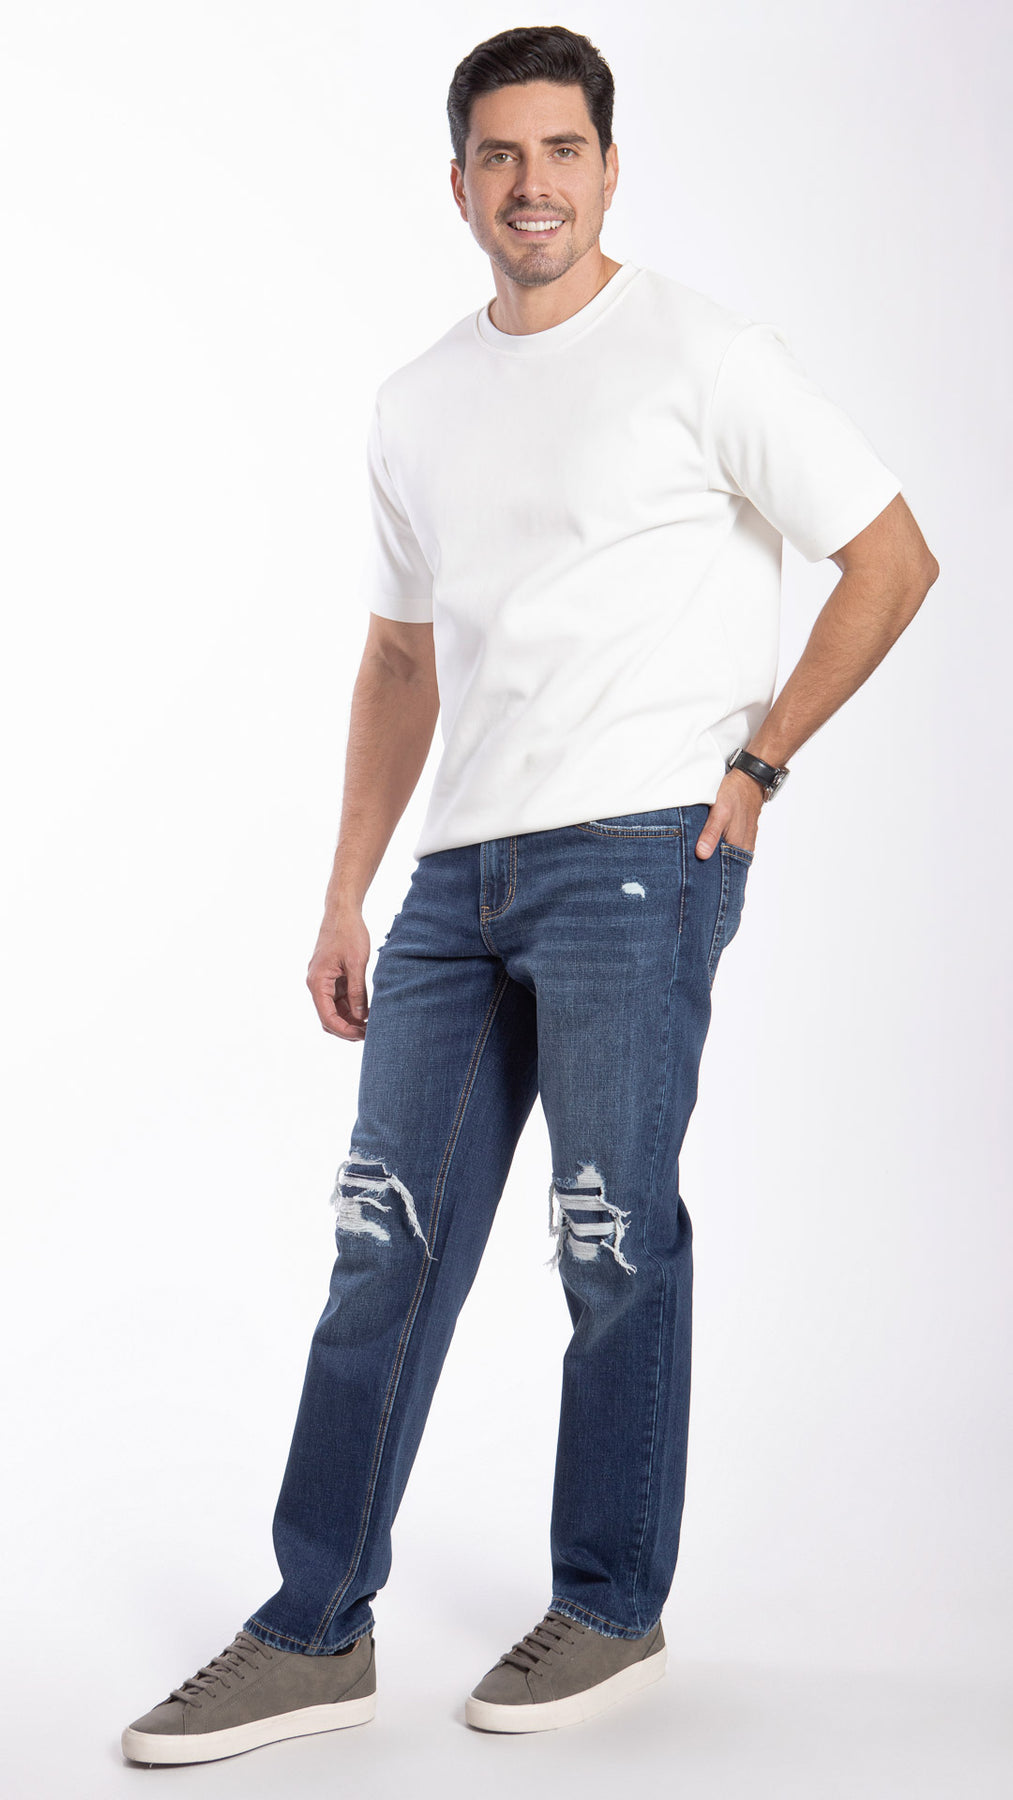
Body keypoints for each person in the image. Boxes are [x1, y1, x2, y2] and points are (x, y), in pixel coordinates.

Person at [121, 23, 939, 1765]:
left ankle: (612, 1605)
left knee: (607, 1240)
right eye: (499, 155)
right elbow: (397, 660)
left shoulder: (703, 354)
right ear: (457, 183)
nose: (532, 184)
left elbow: (890, 556)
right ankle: (313, 1627)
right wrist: (345, 894)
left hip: (640, 857)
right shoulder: (417, 401)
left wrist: (757, 762)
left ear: (610, 168)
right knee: (380, 1246)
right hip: (455, 880)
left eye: (563, 150)